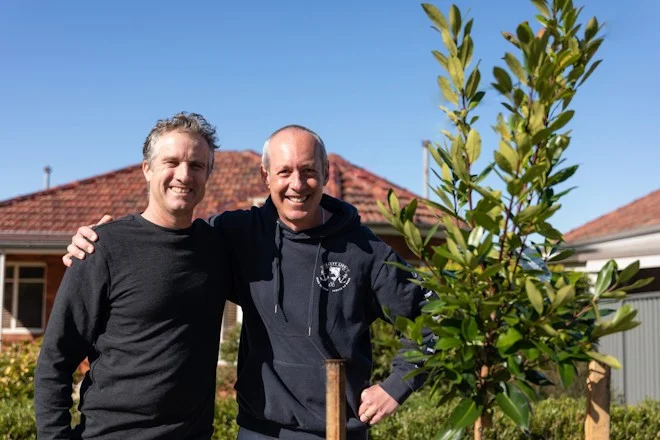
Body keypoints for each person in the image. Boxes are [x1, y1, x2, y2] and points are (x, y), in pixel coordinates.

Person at [65, 125, 428, 439]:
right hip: (258, 430)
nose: (297, 184)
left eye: (308, 171)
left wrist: (397, 386)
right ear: (265, 176)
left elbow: (434, 320)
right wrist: (101, 241)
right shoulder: (237, 234)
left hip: (336, 432)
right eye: (284, 172)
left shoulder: (365, 251)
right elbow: (170, 242)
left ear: (326, 172)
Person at [37, 112, 230, 440]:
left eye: (196, 165)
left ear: (208, 174)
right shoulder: (103, 247)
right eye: (171, 162)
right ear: (147, 169)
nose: (183, 175)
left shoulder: (218, 249)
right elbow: (55, 359)